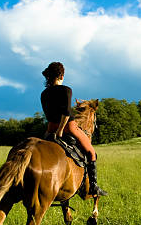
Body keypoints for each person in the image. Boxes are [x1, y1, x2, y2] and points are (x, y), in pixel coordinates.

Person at [40, 62, 107, 197]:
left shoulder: (44, 93)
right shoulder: (66, 90)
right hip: (68, 128)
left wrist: (53, 131)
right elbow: (65, 113)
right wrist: (60, 130)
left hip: (50, 129)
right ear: (61, 75)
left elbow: (48, 114)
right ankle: (93, 187)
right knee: (91, 152)